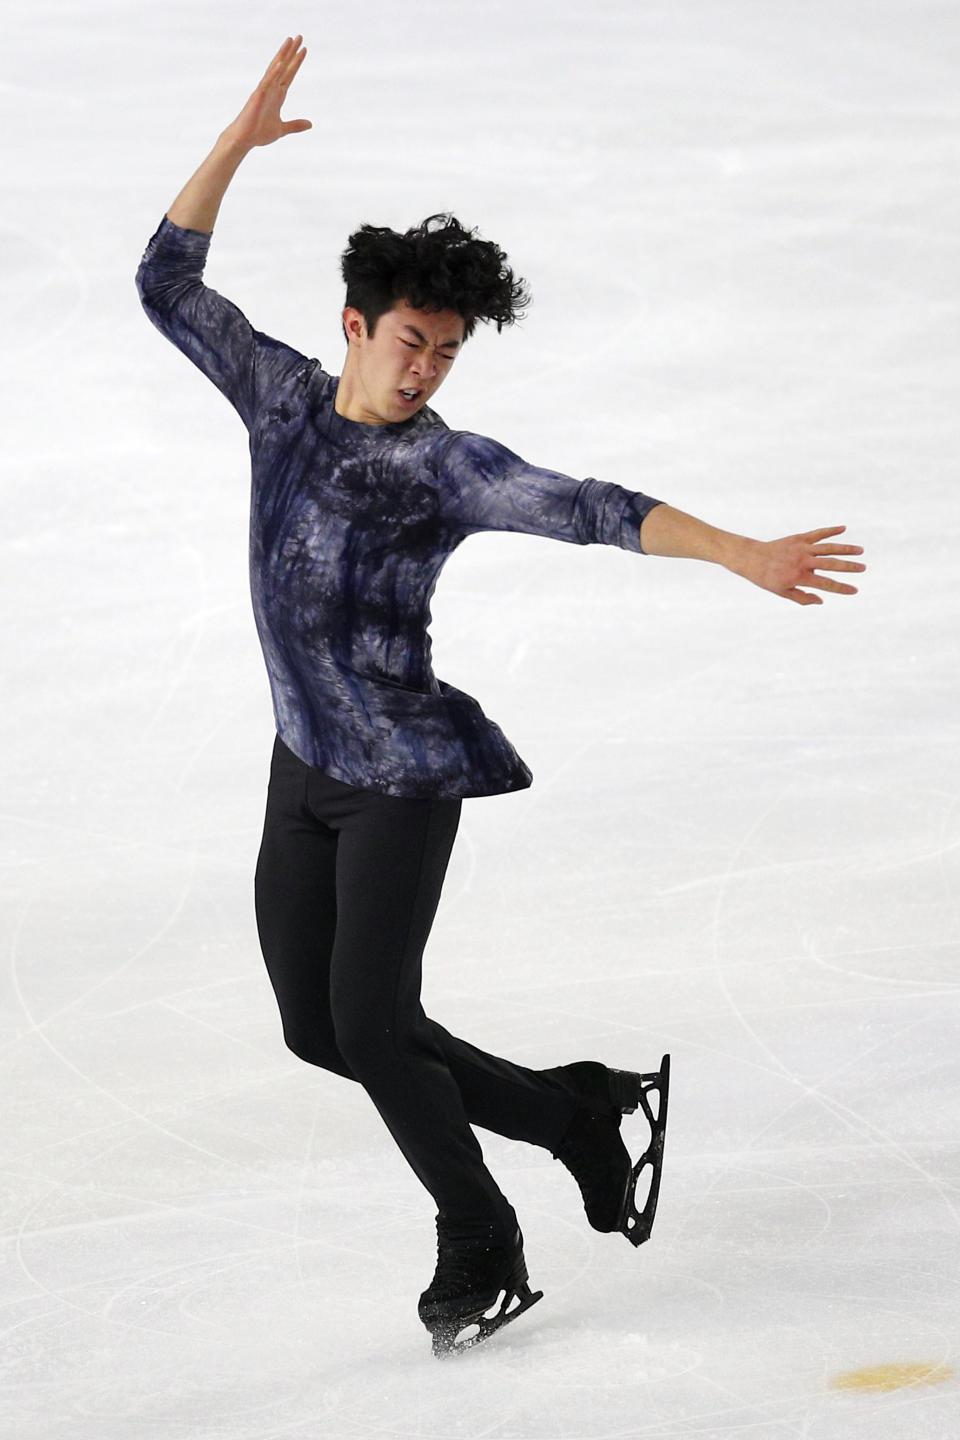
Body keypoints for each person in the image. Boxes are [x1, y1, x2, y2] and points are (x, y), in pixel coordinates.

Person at [136, 37, 865, 1357]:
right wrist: (236, 144)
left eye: (449, 353)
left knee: (373, 1019)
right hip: (302, 767)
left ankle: (480, 1239)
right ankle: (573, 1116)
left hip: (404, 775)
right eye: (413, 341)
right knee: (323, 1030)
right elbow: (166, 282)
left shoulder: (448, 467)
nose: (427, 370)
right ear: (356, 324)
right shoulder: (280, 401)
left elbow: (594, 508)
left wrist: (742, 551)